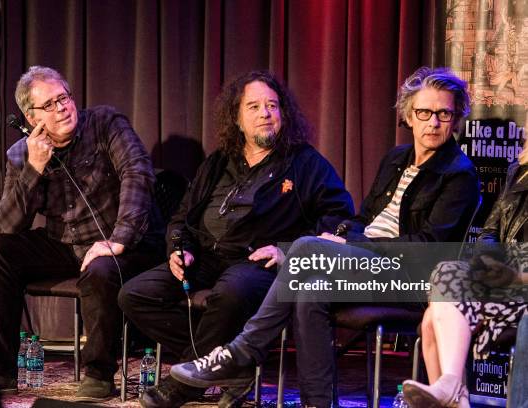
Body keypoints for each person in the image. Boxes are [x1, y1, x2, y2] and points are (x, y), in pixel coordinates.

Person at [169, 66, 481, 408]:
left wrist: (352, 245)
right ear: (409, 114)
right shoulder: (396, 159)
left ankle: (242, 350)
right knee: (309, 289)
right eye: (424, 112)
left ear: (456, 118)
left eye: (443, 113)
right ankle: (317, 402)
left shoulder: (459, 175)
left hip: (409, 278)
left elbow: (429, 249)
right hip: (366, 266)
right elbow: (362, 218)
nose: (433, 123)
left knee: (303, 247)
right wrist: (342, 237)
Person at [118, 70, 354, 408]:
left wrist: (287, 250)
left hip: (255, 262)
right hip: (204, 257)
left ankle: (184, 385)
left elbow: (340, 218)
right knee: (134, 295)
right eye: (254, 107)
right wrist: (178, 249)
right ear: (237, 118)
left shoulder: (304, 163)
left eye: (272, 106)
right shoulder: (218, 162)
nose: (265, 114)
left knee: (231, 293)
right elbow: (182, 217)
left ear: (283, 114)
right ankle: (232, 362)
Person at [0, 66, 165, 402]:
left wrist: (118, 239)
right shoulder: (21, 153)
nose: (62, 107)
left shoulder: (106, 124)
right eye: (49, 105)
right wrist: (33, 169)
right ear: (29, 116)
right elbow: (8, 226)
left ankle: (98, 373)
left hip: (124, 243)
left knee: (101, 268)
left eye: (63, 97)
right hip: (65, 244)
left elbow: (138, 173)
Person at [401, 147, 528, 408]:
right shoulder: (518, 172)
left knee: (432, 318)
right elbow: (490, 231)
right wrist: (489, 262)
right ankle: (452, 390)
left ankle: (454, 393)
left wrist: (516, 277)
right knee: (445, 276)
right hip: (506, 277)